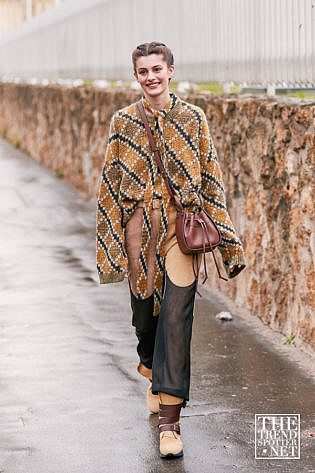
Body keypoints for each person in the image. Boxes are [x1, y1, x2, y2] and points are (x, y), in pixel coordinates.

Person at [96, 41, 245, 459]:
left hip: (183, 229)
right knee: (145, 318)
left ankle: (170, 421)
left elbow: (211, 180)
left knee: (177, 317)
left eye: (157, 69)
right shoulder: (124, 122)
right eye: (143, 71)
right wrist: (108, 251)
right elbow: (109, 188)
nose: (151, 77)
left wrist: (228, 244)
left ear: (171, 70)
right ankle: (150, 367)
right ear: (136, 76)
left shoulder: (194, 119)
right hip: (138, 229)